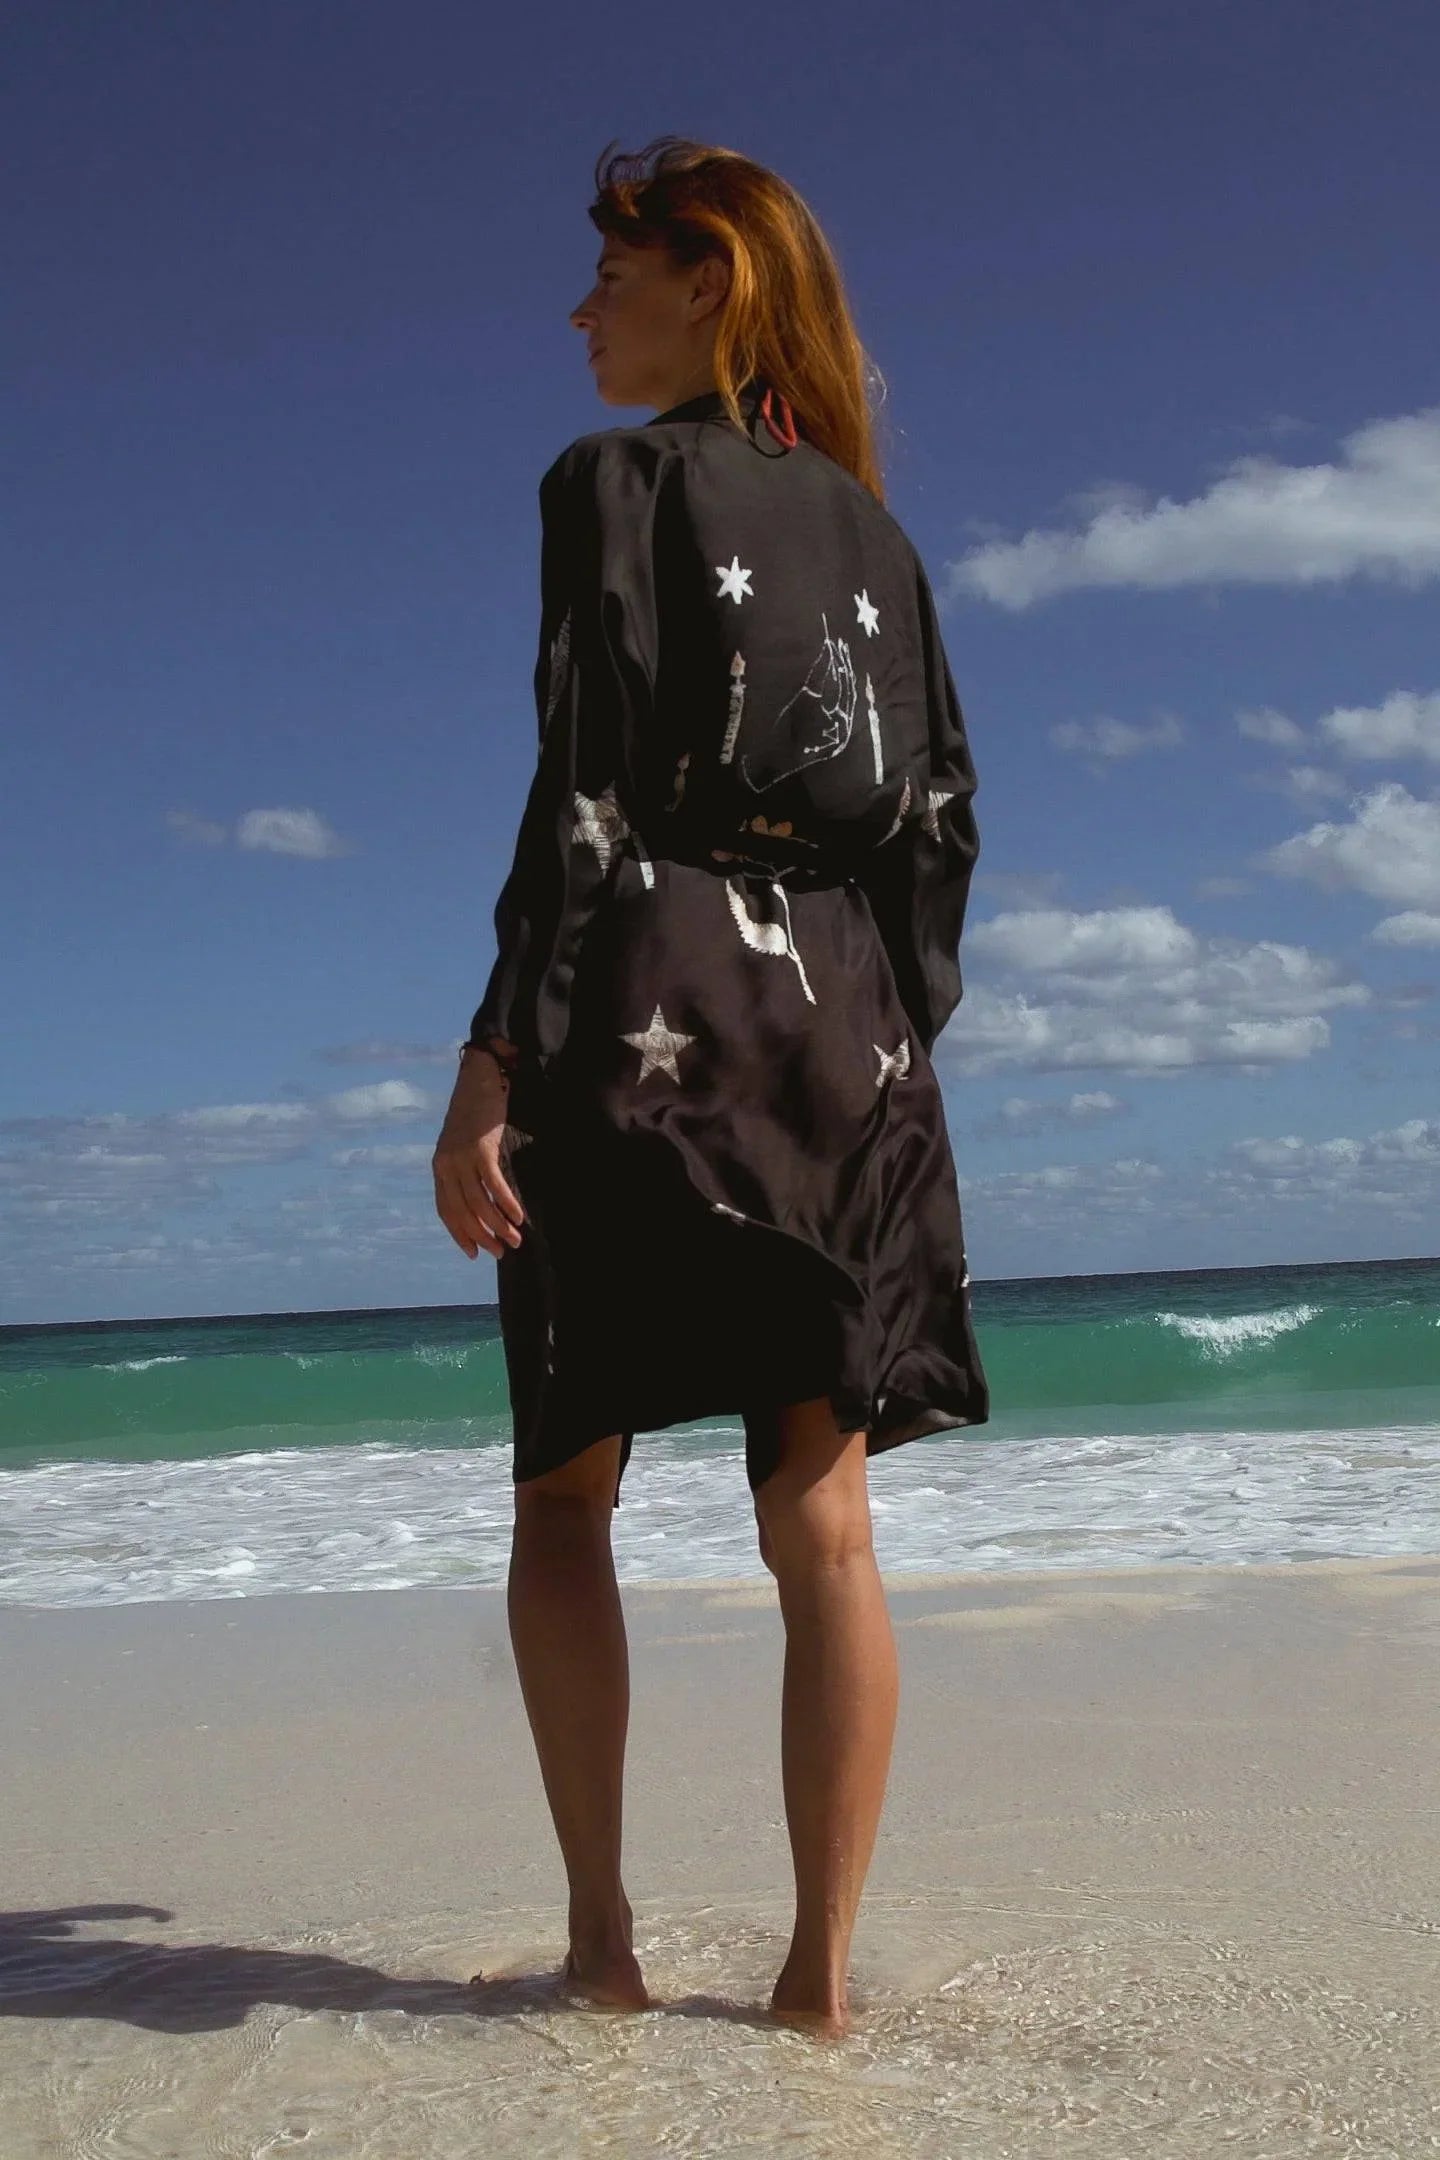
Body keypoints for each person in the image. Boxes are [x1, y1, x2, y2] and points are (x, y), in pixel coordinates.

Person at [433, 135, 989, 2041]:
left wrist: (491, 1057)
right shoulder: (879, 535)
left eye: (613, 275)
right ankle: (819, 1983)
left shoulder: (612, 483)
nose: (582, 310)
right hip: (845, 1040)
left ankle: (604, 1946)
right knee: (822, 1524)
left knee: (568, 1498)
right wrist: (878, 1033)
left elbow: (579, 791)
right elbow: (942, 826)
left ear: (713, 287)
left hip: (649, 1017)